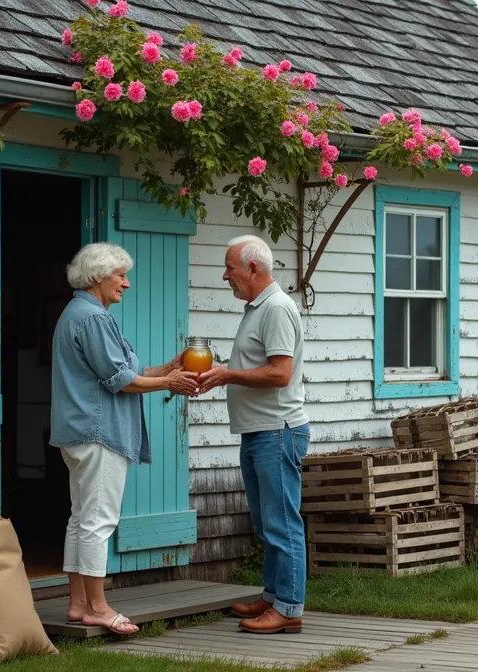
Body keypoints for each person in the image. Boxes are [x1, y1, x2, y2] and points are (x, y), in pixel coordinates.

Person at [49, 242, 200, 635]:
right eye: (120, 275)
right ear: (99, 276)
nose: (126, 284)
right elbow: (120, 381)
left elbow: (125, 370)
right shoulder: (93, 318)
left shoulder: (80, 313)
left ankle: (78, 604)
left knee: (81, 519)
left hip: (79, 432)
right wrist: (169, 382)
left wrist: (169, 367)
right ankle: (98, 607)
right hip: (99, 432)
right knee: (99, 521)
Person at [196, 234, 310, 635]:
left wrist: (227, 373)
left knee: (282, 523)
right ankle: (273, 595)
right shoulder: (257, 307)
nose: (225, 276)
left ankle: (289, 609)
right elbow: (262, 366)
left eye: (230, 269)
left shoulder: (276, 308)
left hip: (276, 431)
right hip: (258, 431)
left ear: (253, 269)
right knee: (266, 522)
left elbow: (279, 374)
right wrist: (225, 372)